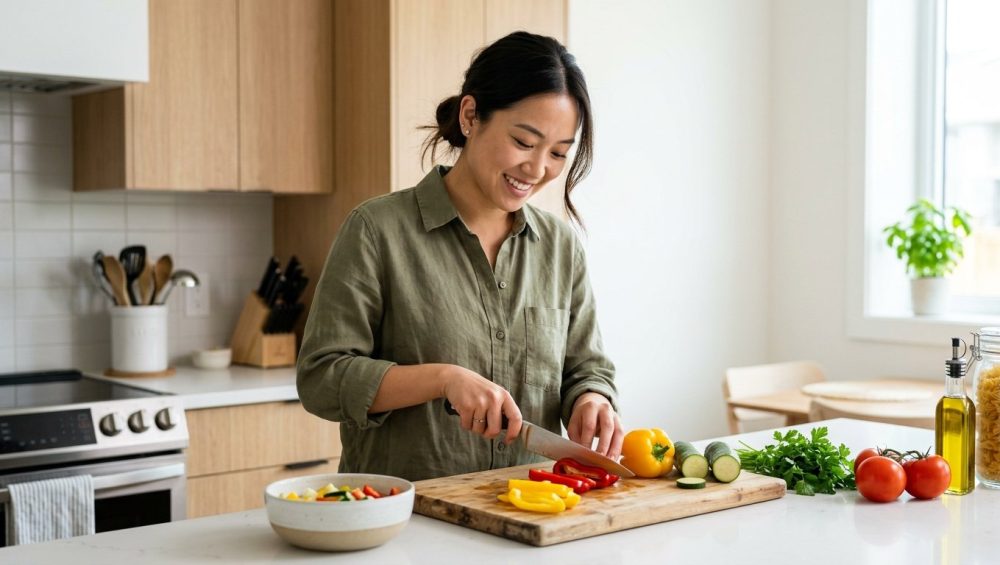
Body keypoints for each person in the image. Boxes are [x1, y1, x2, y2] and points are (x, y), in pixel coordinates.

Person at [297, 31, 622, 481]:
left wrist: (592, 399)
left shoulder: (561, 248)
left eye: (558, 154)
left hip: (533, 510)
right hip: (408, 517)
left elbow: (586, 368)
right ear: (471, 116)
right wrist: (442, 378)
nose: (537, 169)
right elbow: (322, 379)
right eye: (524, 143)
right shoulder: (377, 230)